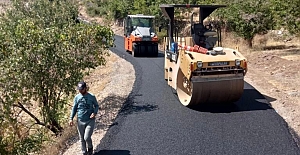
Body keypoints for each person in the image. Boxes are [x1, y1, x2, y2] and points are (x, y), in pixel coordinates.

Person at [69, 81, 99, 155]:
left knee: (86, 137)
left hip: (90, 120)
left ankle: (90, 148)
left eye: (81, 89)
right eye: (79, 89)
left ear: (85, 88)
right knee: (82, 139)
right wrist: (71, 118)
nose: (80, 91)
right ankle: (84, 152)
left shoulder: (91, 96)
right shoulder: (77, 97)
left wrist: (94, 113)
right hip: (80, 120)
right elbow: (74, 108)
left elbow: (96, 106)